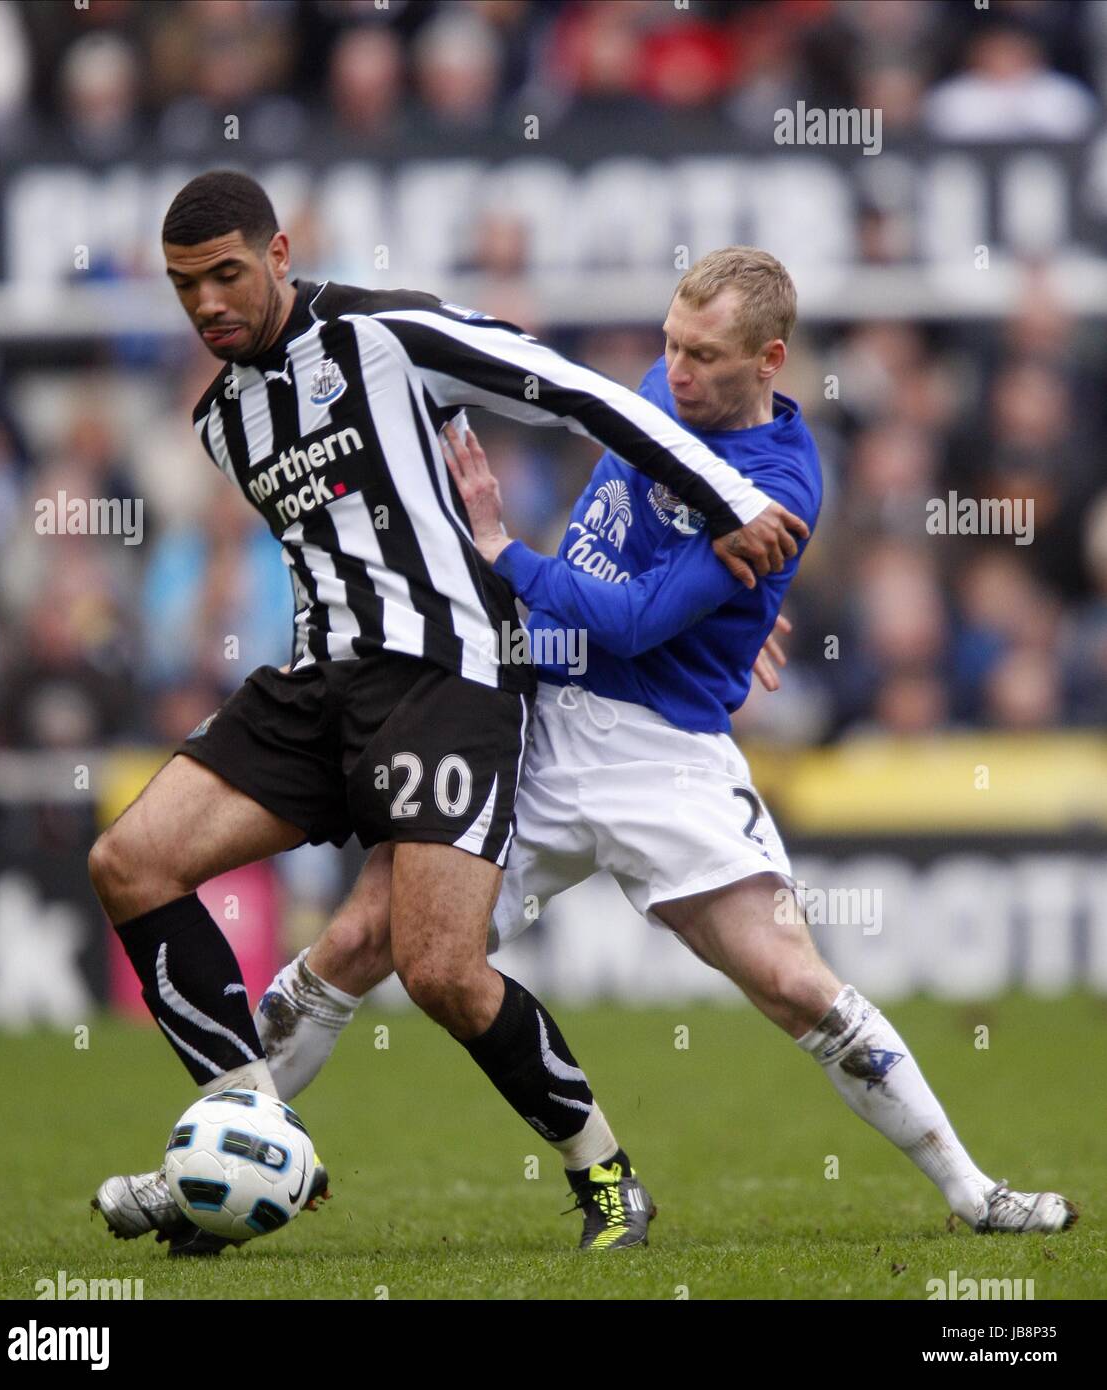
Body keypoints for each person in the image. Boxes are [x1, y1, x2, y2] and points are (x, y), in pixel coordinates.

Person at [99, 246, 1076, 1253]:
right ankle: (212, 1167)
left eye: (703, 355)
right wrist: (736, 613)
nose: (676, 370)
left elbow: (633, 621)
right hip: (540, 723)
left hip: (665, 759)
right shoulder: (662, 394)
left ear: (770, 359)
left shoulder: (777, 482)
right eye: (669, 343)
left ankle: (975, 1190)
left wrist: (500, 552)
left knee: (791, 981)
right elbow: (613, 542)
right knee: (356, 944)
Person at [89, 175, 809, 1255]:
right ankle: (249, 1138)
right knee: (129, 862)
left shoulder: (387, 334)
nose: (207, 303)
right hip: (314, 682)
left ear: (280, 254)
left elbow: (570, 389)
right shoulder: (223, 420)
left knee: (439, 968)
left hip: (446, 677)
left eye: (227, 273)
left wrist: (730, 497)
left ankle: (605, 1177)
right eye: (185, 285)